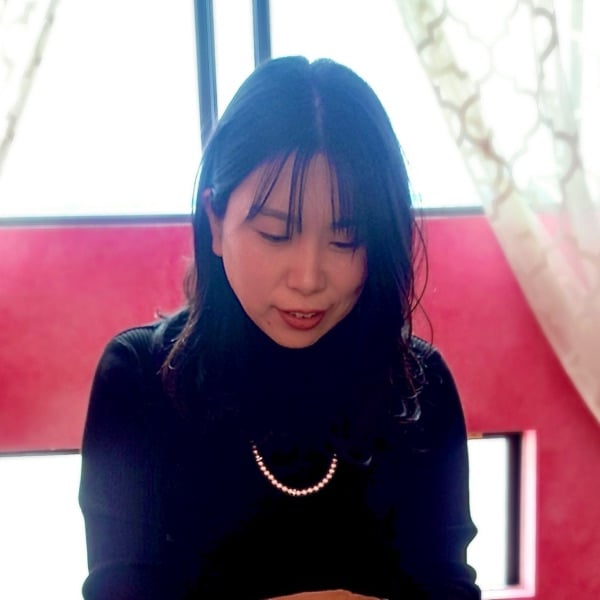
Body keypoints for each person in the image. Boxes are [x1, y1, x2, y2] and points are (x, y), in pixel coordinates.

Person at [79, 56, 480, 599]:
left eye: (345, 240)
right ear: (215, 220)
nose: (308, 278)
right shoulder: (139, 382)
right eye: (274, 234)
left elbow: (448, 587)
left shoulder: (418, 388)